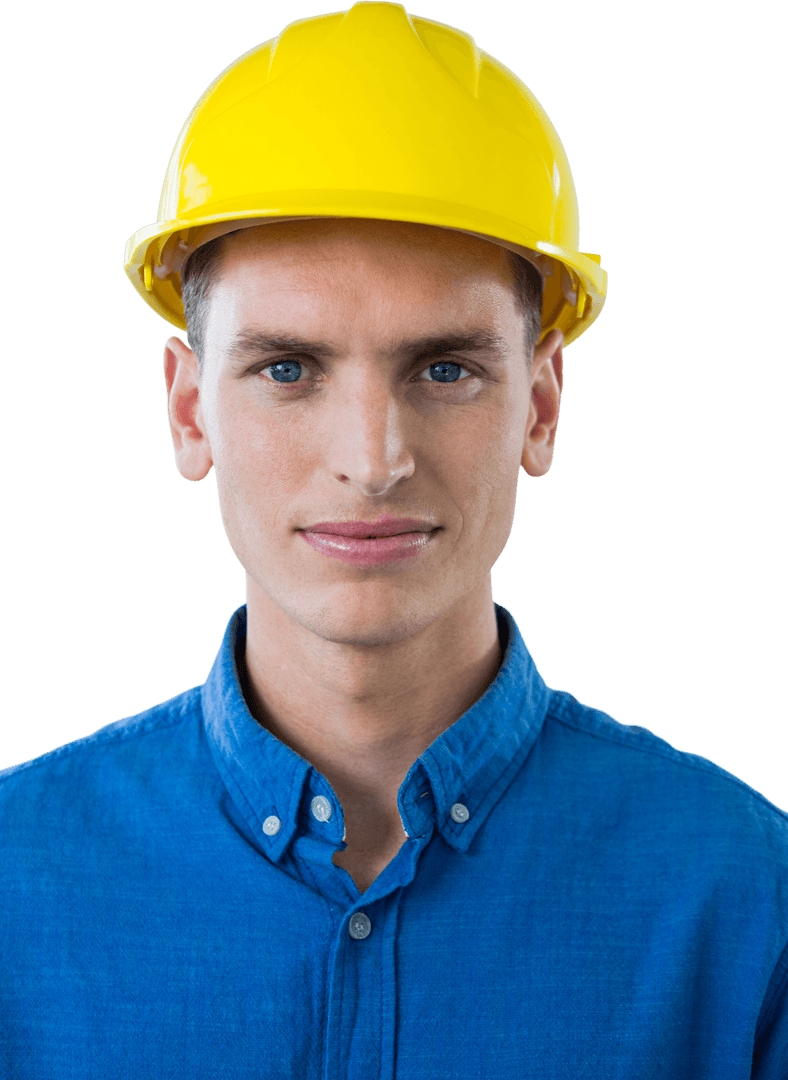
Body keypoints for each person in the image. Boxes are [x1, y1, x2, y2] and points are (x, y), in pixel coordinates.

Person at [1, 2, 785, 1075]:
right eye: (287, 369)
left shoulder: (743, 905)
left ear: (540, 407)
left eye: (444, 369)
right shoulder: (16, 885)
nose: (372, 460)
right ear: (189, 412)